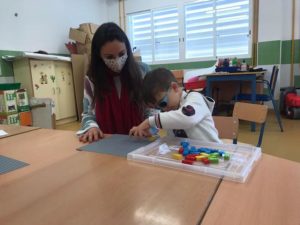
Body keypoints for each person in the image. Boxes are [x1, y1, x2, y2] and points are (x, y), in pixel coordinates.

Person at [77, 22, 150, 143]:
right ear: (99, 56)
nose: (117, 61)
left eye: (121, 54)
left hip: (140, 139)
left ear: (127, 49)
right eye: (109, 57)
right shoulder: (92, 78)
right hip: (106, 141)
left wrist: (149, 126)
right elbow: (88, 114)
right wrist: (92, 127)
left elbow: (153, 110)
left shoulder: (143, 71)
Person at [129, 68, 221, 143]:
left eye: (162, 103)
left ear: (175, 88)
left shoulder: (194, 98)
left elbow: (187, 118)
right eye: (158, 107)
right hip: (193, 157)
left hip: (214, 153)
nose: (163, 109)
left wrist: (149, 121)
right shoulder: (171, 113)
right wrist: (152, 135)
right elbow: (171, 140)